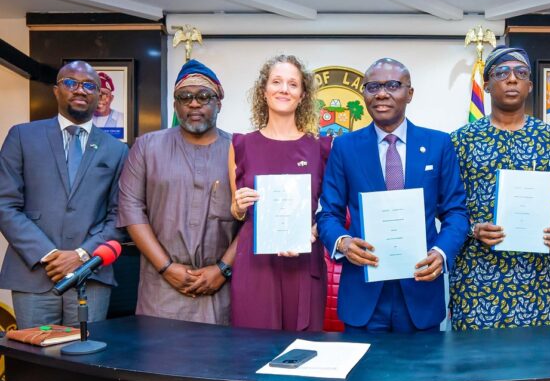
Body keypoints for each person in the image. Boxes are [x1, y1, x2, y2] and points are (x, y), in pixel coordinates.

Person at [317, 58, 468, 332]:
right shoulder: (344, 147)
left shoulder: (439, 144)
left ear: (409, 93)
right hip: (363, 293)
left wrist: (441, 252)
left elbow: (456, 212)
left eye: (392, 85)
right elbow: (328, 213)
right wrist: (343, 242)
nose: (382, 94)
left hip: (421, 288)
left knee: (423, 363)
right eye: (373, 86)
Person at [0, 60, 128, 329]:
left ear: (100, 95)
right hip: (33, 272)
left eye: (89, 85)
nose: (80, 90)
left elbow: (119, 215)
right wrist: (48, 254)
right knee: (35, 352)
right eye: (71, 82)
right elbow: (5, 204)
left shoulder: (117, 150)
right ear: (56, 90)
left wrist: (81, 255)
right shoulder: (22, 136)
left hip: (91, 275)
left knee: (86, 352)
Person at [449, 46, 550, 330]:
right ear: (487, 85)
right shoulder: (461, 139)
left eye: (521, 73)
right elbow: (448, 203)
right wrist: (473, 229)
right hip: (476, 275)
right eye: (502, 72)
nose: (512, 79)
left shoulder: (548, 137)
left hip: (534, 275)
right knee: (475, 356)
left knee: (535, 354)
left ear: (530, 85)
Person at [117, 59, 238, 325]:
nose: (194, 104)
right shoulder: (146, 147)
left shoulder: (239, 150)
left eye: (203, 96)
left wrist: (222, 269)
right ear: (175, 105)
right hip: (161, 288)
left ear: (219, 103)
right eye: (185, 97)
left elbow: (253, 219)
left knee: (221, 352)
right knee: (160, 351)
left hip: (221, 288)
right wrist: (166, 267)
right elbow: (130, 209)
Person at [230, 55, 332, 331]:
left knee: (304, 349)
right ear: (264, 91)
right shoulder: (240, 145)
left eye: (292, 84)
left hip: (304, 258)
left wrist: (314, 230)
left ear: (303, 95)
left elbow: (330, 209)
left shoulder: (322, 147)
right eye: (276, 82)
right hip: (255, 263)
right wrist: (238, 206)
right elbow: (235, 211)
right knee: (252, 347)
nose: (284, 89)